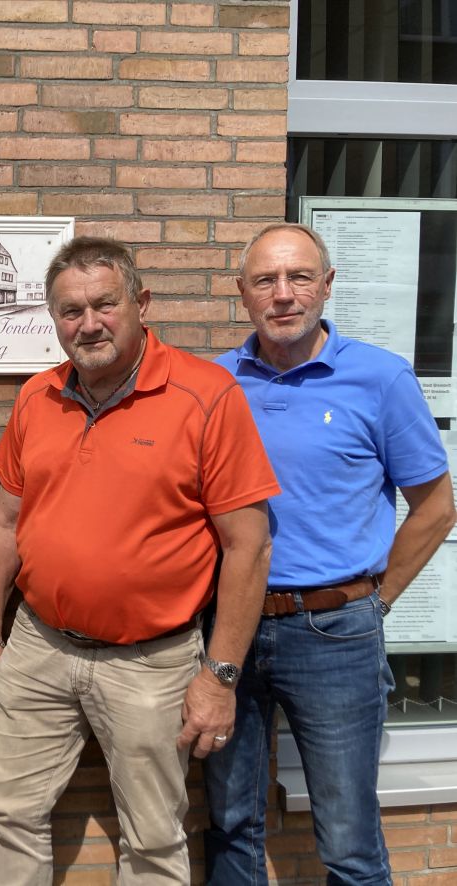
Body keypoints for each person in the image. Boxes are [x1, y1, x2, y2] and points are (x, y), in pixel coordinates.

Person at [0, 235, 281, 884]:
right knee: (6, 811)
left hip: (153, 660)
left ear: (139, 303)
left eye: (103, 304)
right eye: (69, 311)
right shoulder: (36, 397)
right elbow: (3, 524)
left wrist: (218, 676)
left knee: (152, 838)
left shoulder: (207, 395)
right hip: (38, 646)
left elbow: (247, 545)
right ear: (52, 320)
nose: (87, 324)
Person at [204, 222, 455, 885]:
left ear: (325, 285)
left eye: (297, 277)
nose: (282, 295)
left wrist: (377, 601)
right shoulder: (212, 384)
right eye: (265, 280)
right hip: (228, 629)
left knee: (346, 836)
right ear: (242, 293)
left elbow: (434, 507)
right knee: (229, 822)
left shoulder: (378, 378)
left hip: (334, 633)